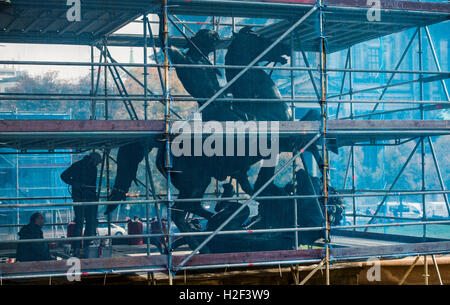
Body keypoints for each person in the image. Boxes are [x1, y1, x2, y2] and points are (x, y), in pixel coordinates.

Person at [61, 152, 102, 257]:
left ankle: (88, 246)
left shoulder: (93, 168)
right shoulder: (78, 165)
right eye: (97, 162)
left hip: (90, 198)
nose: (97, 165)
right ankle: (77, 248)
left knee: (91, 223)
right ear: (92, 160)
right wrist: (75, 183)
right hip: (79, 197)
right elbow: (64, 176)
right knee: (79, 223)